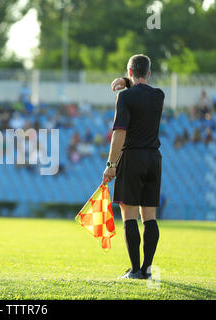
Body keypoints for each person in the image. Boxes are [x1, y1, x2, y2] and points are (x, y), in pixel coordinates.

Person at [104, 54, 164, 280]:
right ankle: (148, 270)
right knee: (149, 216)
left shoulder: (124, 97)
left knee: (129, 215)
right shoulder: (159, 96)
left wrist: (111, 164)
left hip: (132, 157)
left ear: (129, 72)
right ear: (149, 73)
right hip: (154, 159)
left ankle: (135, 270)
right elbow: (143, 91)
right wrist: (128, 81)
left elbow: (119, 132)